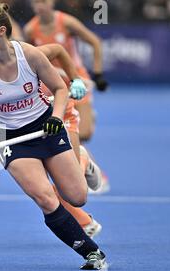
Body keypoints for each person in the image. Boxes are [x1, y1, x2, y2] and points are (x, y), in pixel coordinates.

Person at [0, 4, 107, 269]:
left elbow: (58, 88)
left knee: (77, 197)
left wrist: (55, 117)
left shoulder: (28, 54)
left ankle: (83, 160)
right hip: (9, 137)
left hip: (45, 126)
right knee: (45, 198)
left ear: (1, 31)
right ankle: (92, 253)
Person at [24, 0, 110, 194]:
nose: (40, 6)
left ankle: (82, 157)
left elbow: (95, 42)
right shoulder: (31, 29)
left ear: (52, 2)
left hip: (75, 80)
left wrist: (98, 74)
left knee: (85, 133)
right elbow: (27, 59)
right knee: (63, 132)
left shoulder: (67, 22)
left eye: (44, 1)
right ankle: (81, 166)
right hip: (50, 85)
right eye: (36, 2)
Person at [35, 43, 103, 238]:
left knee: (72, 189)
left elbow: (58, 49)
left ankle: (82, 159)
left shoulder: (27, 54)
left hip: (60, 112)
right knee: (38, 185)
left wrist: (76, 80)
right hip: (29, 122)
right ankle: (84, 221)